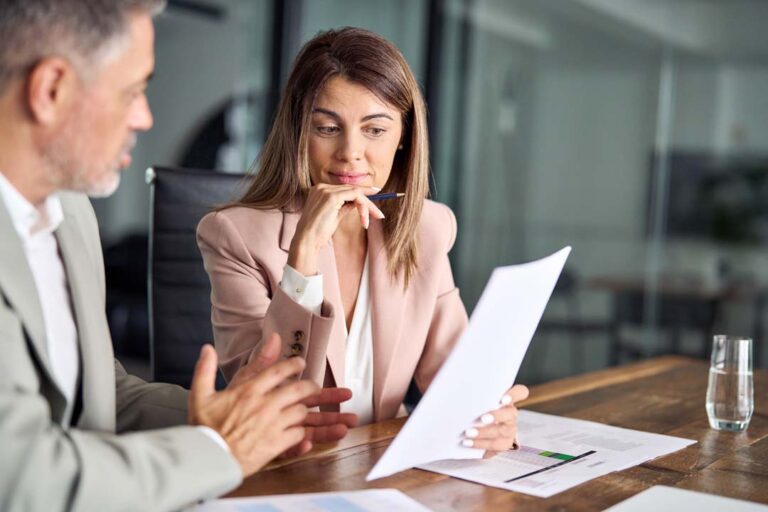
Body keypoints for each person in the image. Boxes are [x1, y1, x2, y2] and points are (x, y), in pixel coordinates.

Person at [0, 2, 354, 511]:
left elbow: (100, 395)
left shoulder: (70, 214)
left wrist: (235, 416)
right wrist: (217, 449)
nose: (144, 118)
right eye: (132, 92)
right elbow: (27, 481)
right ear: (50, 90)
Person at [197, 27, 528, 451]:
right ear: (298, 133)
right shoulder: (235, 236)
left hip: (385, 459)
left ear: (404, 136)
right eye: (327, 128)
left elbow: (454, 378)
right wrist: (303, 257)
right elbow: (266, 398)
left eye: (374, 130)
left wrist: (488, 417)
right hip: (287, 465)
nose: (350, 152)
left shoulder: (428, 228)